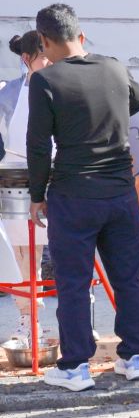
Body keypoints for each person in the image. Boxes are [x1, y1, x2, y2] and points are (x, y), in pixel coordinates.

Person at [27, 3, 139, 391]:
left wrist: (36, 195)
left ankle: (75, 367)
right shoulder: (114, 67)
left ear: (44, 42)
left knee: (74, 283)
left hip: (73, 194)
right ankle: (133, 357)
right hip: (120, 191)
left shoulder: (45, 81)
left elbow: (37, 145)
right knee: (129, 277)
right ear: (81, 36)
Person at [1, 31, 51, 344]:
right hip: (16, 176)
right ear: (27, 59)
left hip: (59, 173)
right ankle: (27, 321)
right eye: (44, 56)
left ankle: (84, 319)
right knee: (24, 253)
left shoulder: (65, 87)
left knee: (76, 248)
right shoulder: (7, 94)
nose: (50, 62)